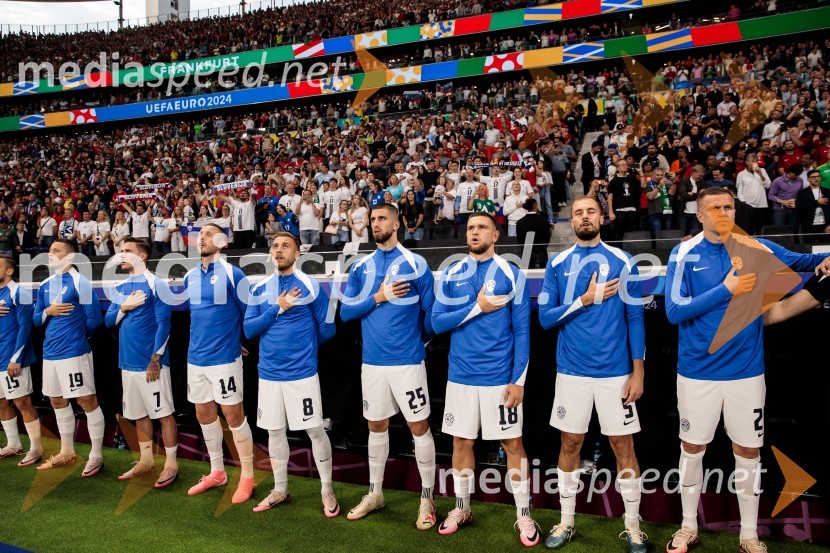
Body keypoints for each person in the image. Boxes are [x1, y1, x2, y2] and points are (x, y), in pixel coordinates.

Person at [664, 187, 830, 553]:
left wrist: (826, 259)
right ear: (700, 215)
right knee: (692, 448)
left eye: (729, 206)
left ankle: (749, 535)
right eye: (715, 208)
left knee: (749, 452)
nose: (724, 212)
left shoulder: (755, 247)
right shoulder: (684, 253)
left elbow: (801, 262)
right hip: (697, 373)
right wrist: (727, 288)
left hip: (746, 372)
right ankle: (688, 526)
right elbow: (674, 311)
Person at [538, 196, 647, 553]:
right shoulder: (558, 262)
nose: (585, 217)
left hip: (616, 373)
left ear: (602, 216)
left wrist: (638, 372)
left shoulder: (622, 260)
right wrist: (584, 299)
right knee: (570, 444)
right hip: (572, 372)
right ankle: (566, 521)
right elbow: (545, 319)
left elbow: (635, 318)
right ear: (571, 221)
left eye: (591, 211)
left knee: (622, 446)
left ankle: (633, 526)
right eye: (578, 213)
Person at [431, 212, 538, 547]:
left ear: (496, 236)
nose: (474, 232)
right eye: (471, 228)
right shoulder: (451, 273)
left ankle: (523, 513)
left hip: (499, 379)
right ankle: (462, 508)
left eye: (482, 228)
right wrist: (476, 308)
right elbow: (436, 323)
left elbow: (522, 331)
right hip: (461, 377)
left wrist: (518, 380)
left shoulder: (512, 273)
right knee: (461, 443)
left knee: (512, 446)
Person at [340, 203, 437, 529]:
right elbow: (345, 313)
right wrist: (378, 298)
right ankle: (375, 493)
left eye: (381, 218)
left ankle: (427, 498)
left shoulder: (416, 263)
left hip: (407, 362)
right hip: (373, 364)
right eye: (372, 220)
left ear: (396, 224)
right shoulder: (361, 267)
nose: (375, 223)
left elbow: (432, 317)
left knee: (418, 427)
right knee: (376, 427)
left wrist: (413, 342)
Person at [244, 232, 339, 515]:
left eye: (286, 246)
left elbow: (328, 328)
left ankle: (327, 490)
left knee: (314, 429)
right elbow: (249, 331)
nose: (279, 250)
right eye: (275, 246)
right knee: (274, 431)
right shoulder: (258, 288)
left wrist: (303, 348)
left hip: (302, 374)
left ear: (297, 254)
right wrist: (278, 308)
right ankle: (280, 489)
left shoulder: (310, 285)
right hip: (269, 375)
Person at [183, 224, 255, 504]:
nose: (202, 237)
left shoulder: (233, 273)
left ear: (222, 242)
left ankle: (247, 476)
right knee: (203, 415)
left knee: (234, 416)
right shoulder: (189, 276)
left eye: (209, 234)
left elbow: (247, 313)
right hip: (195, 358)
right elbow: (200, 317)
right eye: (200, 234)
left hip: (224, 359)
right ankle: (217, 472)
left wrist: (235, 339)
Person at [104, 238, 179, 488]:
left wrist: (155, 359)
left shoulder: (157, 284)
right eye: (121, 251)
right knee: (139, 415)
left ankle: (171, 464)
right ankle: (146, 460)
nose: (122, 255)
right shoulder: (121, 286)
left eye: (127, 251)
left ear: (143, 256)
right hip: (127, 364)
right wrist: (123, 308)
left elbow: (164, 325)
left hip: (152, 365)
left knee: (164, 414)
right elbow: (108, 322)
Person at [33, 239, 105, 476]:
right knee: (56, 400)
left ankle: (96, 455)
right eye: (49, 250)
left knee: (86, 401)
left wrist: (77, 338)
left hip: (73, 352)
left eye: (56, 250)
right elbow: (36, 320)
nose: (50, 253)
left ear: (70, 257)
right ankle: (67, 452)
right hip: (50, 353)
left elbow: (94, 320)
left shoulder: (80, 282)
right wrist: (48, 311)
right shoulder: (45, 285)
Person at [0, 257, 43, 467]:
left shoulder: (19, 293)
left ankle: (36, 448)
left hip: (12, 359)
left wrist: (16, 358)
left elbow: (26, 328)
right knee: (1, 402)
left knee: (22, 402)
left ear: (9, 271)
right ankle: (13, 444)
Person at [516, 198, 551, 269]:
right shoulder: (543, 221)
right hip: (541, 254)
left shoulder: (520, 222)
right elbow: (547, 238)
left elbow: (520, 240)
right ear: (536, 206)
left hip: (526, 255)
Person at [797, 169, 830, 242]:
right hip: (809, 226)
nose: (816, 179)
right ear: (808, 179)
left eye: (818, 176)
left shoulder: (827, 192)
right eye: (813, 177)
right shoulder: (802, 192)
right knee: (809, 248)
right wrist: (817, 202)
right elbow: (800, 207)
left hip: (825, 226)